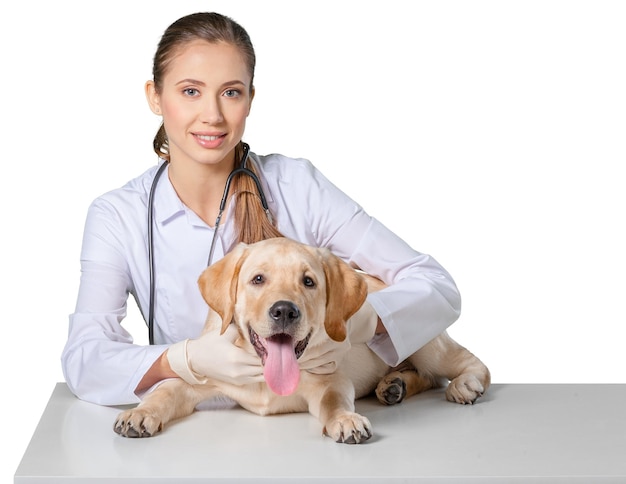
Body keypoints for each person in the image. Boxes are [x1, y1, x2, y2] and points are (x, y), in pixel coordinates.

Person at [61, 12, 461, 406]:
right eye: (190, 91)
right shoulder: (118, 216)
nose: (213, 115)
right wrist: (184, 359)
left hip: (299, 430)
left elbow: (436, 286)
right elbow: (84, 360)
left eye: (231, 92)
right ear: (154, 96)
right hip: (193, 433)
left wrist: (364, 322)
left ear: (250, 99)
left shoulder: (297, 187)